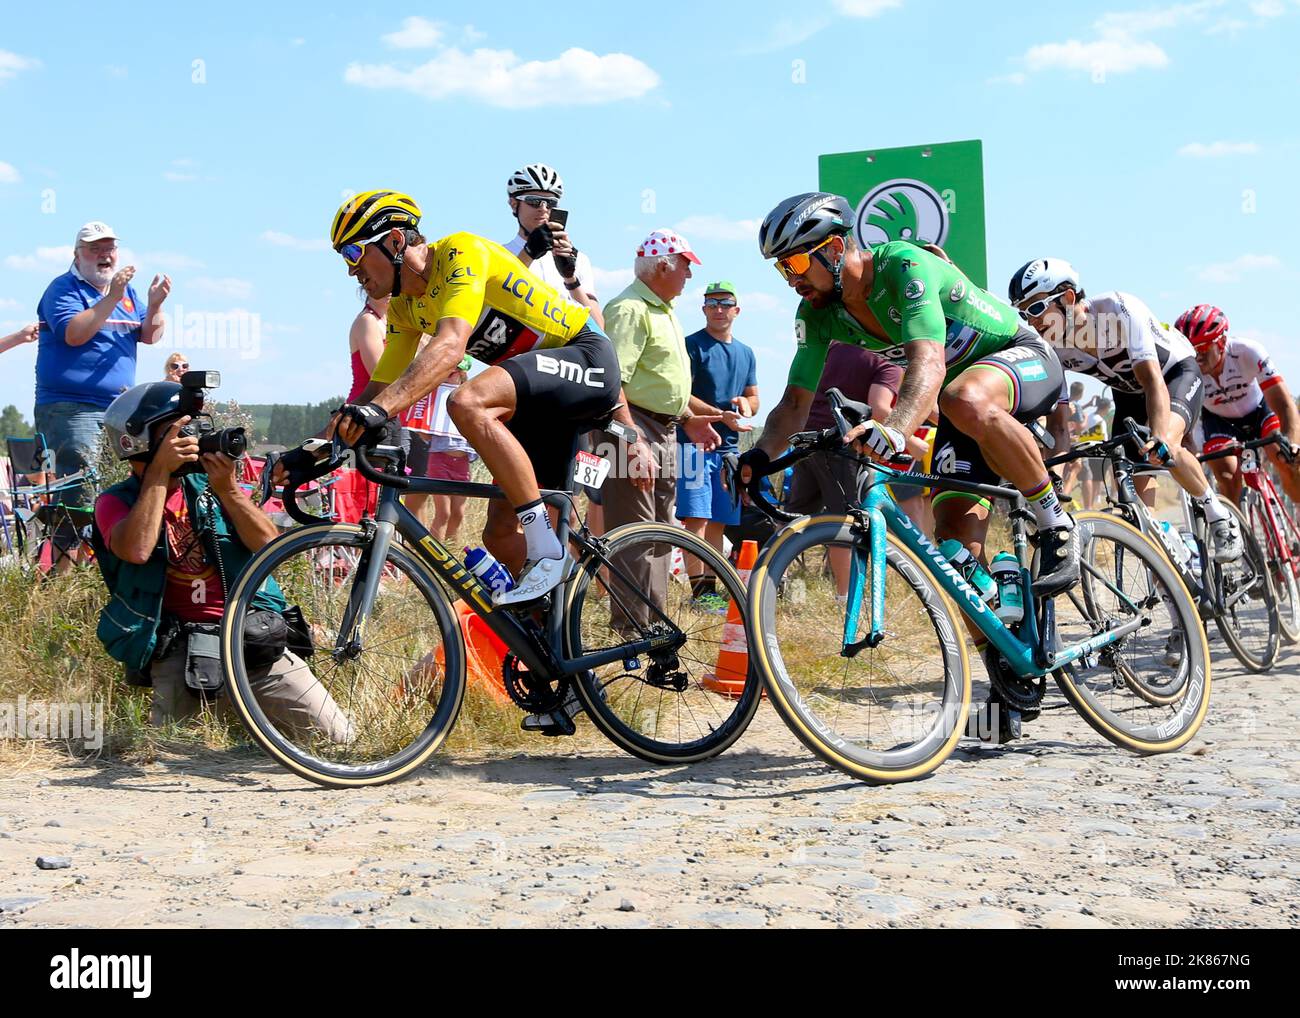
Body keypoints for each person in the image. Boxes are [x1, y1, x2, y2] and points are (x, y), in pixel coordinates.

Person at [310, 190, 637, 610]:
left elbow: (448, 347)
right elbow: (375, 390)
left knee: (467, 401)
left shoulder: (460, 253)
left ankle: (549, 555)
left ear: (394, 241)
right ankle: (557, 622)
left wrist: (376, 412)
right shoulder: (407, 309)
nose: (352, 269)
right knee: (498, 534)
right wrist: (311, 449)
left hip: (586, 356)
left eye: (355, 251)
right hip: (541, 401)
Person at [739, 194, 1078, 597]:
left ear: (832, 248)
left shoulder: (901, 266)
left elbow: (929, 364)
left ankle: (1056, 524)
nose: (792, 281)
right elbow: (796, 401)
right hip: (961, 399)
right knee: (953, 550)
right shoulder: (817, 313)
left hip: (1018, 357)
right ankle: (1007, 645)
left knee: (961, 396)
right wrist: (759, 456)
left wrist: (896, 429)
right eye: (782, 270)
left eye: (794, 264)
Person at [92, 381, 354, 739]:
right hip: (178, 647)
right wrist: (159, 474)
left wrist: (229, 490)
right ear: (136, 440)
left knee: (337, 738)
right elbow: (136, 549)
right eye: (178, 431)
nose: (192, 438)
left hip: (249, 637)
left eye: (195, 428)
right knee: (170, 752)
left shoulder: (213, 485)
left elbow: (268, 547)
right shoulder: (115, 501)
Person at [1008, 260, 1240, 561]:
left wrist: (1158, 436)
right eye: (1023, 313)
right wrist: (1052, 476)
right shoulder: (1052, 348)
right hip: (1128, 394)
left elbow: (1153, 381)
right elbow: (1060, 428)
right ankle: (1170, 568)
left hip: (1173, 374)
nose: (1031, 322)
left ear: (1067, 298)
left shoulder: (1116, 310)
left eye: (1036, 309)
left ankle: (1218, 515)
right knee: (1132, 495)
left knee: (1165, 445)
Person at [601, 230, 734, 628]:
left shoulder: (661, 309)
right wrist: (632, 439)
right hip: (634, 429)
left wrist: (690, 419)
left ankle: (652, 624)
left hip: (660, 430)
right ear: (663, 265)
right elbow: (613, 384)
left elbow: (657, 383)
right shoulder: (630, 309)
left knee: (659, 534)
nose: (689, 276)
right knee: (636, 536)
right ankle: (631, 630)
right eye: (686, 265)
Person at [785, 341, 903, 596]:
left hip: (809, 437)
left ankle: (767, 582)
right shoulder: (888, 359)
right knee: (847, 521)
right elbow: (880, 408)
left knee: (793, 517)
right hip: (843, 445)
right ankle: (846, 597)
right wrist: (910, 439)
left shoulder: (836, 345)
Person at [675, 281, 758, 612]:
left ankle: (710, 591)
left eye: (725, 303)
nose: (719, 309)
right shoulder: (691, 345)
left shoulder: (746, 352)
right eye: (712, 303)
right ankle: (699, 594)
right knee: (695, 517)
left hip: (730, 450)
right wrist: (719, 416)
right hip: (692, 445)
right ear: (704, 309)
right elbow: (682, 394)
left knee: (720, 521)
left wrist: (746, 407)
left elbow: (754, 397)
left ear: (737, 310)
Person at [1176, 304, 1300, 504]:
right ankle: (1235, 530)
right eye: (1191, 350)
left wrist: (1293, 445)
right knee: (1227, 477)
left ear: (1222, 342)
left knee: (1285, 460)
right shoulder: (1186, 369)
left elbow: (1285, 405)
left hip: (1259, 412)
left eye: (1204, 348)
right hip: (1219, 422)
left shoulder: (1248, 352)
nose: (1197, 356)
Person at [501, 163, 602, 328]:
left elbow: (598, 327)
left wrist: (570, 279)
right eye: (534, 201)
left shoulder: (579, 259)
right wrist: (528, 253)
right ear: (513, 204)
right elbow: (497, 302)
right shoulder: (499, 254)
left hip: (564, 350)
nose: (543, 209)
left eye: (551, 203)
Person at [422, 357, 477, 543]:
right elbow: (424, 432)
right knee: (443, 513)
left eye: (452, 371)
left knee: (458, 514)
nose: (447, 375)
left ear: (461, 373)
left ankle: (451, 552)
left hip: (462, 462)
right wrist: (425, 429)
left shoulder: (470, 396)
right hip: (440, 458)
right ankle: (434, 554)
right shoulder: (435, 397)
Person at [347, 294, 389, 401]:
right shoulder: (367, 321)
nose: (389, 290)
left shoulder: (395, 320)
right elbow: (381, 378)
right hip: (366, 408)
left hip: (388, 406)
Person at [1075, 396, 1112, 510]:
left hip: (1087, 451)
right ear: (1105, 408)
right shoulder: (1100, 421)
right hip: (1098, 453)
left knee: (1091, 479)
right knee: (1096, 479)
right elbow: (1104, 439)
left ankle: (1090, 503)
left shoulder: (1090, 416)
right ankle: (1092, 504)